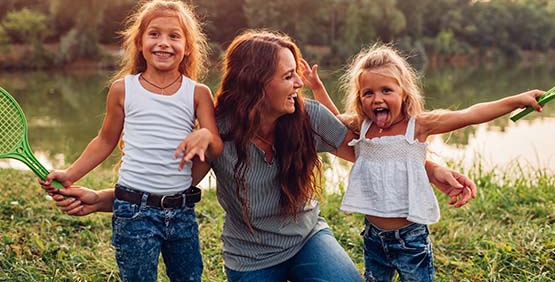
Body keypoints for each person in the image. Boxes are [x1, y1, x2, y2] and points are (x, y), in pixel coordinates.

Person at [43, 31, 477, 282]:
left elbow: (373, 153)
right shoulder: (221, 131)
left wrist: (434, 167)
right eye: (288, 77)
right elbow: (173, 185)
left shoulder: (306, 116)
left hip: (308, 238)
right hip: (249, 255)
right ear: (257, 82)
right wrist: (99, 199)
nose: (297, 85)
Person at [300, 44, 543, 282]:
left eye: (386, 90)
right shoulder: (362, 126)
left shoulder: (417, 126)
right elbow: (331, 123)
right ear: (360, 98)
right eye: (368, 93)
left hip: (410, 239)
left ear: (403, 92)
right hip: (373, 236)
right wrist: (318, 87)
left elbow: (469, 114)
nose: (377, 99)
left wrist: (516, 100)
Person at [43, 0, 223, 282]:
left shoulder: (198, 93)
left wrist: (204, 134)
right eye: (154, 34)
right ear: (139, 42)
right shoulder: (122, 89)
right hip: (133, 211)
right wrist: (69, 174)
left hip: (182, 212)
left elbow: (216, 146)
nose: (163, 42)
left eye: (174, 36)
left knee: (189, 278)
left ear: (187, 47)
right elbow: (104, 140)